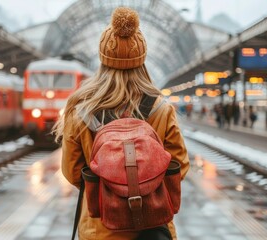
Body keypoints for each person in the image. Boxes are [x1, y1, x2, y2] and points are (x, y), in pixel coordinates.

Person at [53, 7, 189, 240]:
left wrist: (111, 192)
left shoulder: (81, 111)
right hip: (152, 229)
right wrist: (144, 188)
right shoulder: (161, 109)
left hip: (100, 229)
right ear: (142, 60)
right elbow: (179, 166)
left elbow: (73, 172)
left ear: (103, 61)